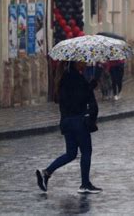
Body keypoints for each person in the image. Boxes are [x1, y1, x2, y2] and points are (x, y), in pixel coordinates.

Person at [35, 61, 102, 194]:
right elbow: (80, 99)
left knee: (71, 153)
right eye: (82, 60)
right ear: (76, 62)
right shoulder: (75, 78)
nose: (85, 62)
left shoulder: (64, 77)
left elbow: (70, 98)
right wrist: (91, 86)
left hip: (66, 121)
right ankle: (85, 184)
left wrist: (89, 85)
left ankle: (46, 172)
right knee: (86, 151)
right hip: (78, 121)